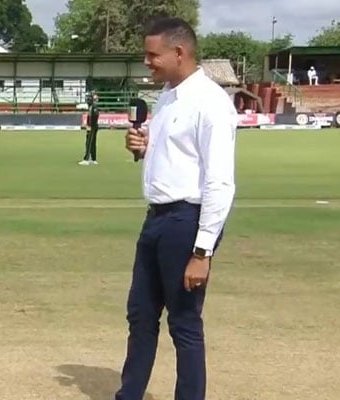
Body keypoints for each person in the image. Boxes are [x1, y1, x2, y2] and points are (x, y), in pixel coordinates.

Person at [115, 17, 237, 400]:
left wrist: (202, 251)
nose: (147, 62)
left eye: (153, 55)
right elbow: (175, 159)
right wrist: (143, 149)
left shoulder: (211, 102)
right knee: (141, 316)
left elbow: (219, 182)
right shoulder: (167, 97)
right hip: (156, 219)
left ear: (179, 53)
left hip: (188, 222)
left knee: (184, 323)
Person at [79, 93, 100, 165]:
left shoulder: (93, 107)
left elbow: (94, 117)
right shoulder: (92, 107)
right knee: (92, 143)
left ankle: (86, 159)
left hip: (92, 127)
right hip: (93, 126)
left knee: (89, 143)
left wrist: (89, 126)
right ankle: (93, 159)